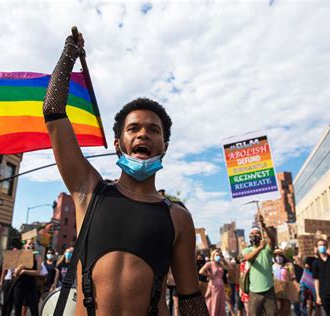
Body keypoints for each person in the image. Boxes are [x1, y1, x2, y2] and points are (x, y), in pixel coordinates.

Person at [42, 31, 207, 315]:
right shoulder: (88, 191)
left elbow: (190, 298)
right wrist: (69, 54)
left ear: (163, 147)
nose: (144, 134)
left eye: (153, 130)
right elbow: (53, 110)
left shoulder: (179, 217)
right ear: (118, 144)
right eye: (134, 128)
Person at [241, 216, 277, 316]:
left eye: (257, 233)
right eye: (252, 233)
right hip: (254, 292)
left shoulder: (267, 249)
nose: (255, 235)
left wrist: (264, 226)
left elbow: (272, 239)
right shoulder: (247, 250)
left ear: (261, 236)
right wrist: (260, 247)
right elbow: (248, 257)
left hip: (269, 290)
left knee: (272, 314)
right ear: (249, 237)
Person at [313, 239, 330, 316]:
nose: (322, 247)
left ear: (327, 247)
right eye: (320, 245)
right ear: (317, 248)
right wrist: (318, 296)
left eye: (324, 245)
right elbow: (316, 280)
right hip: (324, 294)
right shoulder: (315, 263)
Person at [13, 239, 42, 316]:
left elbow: (38, 272)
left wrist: (25, 271)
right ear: (25, 246)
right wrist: (24, 263)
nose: (31, 246)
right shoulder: (20, 256)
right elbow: (16, 272)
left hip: (31, 285)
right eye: (29, 244)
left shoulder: (37, 257)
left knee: (34, 307)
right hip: (20, 284)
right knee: (18, 307)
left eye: (33, 244)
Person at [199, 249, 229, 316]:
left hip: (221, 286)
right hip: (214, 286)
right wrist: (209, 275)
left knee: (221, 304)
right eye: (217, 255)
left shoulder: (220, 264)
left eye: (219, 255)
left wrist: (223, 260)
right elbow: (201, 271)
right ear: (213, 256)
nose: (218, 256)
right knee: (214, 303)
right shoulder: (209, 264)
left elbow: (230, 268)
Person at [272, 249, 291, 315]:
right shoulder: (272, 267)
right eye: (277, 256)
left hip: (286, 289)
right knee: (278, 307)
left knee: (286, 308)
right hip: (276, 290)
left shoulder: (287, 266)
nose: (278, 258)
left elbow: (291, 276)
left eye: (280, 256)